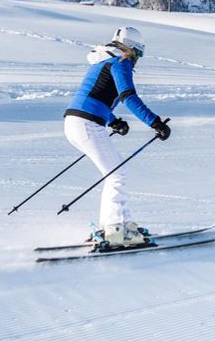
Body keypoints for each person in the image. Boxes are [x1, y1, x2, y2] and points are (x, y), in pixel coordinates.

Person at [63, 26, 171, 248]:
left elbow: (95, 95)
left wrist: (113, 120)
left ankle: (116, 224)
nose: (137, 60)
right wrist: (155, 122)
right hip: (87, 124)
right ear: (132, 49)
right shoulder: (121, 62)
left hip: (75, 122)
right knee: (117, 173)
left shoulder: (103, 60)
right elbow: (128, 96)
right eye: (138, 54)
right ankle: (116, 230)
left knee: (114, 171)